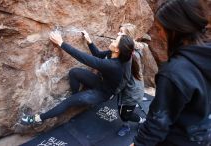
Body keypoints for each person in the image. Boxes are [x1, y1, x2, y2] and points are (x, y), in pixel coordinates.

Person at [131, 0, 211, 146]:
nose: (159, 34)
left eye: (160, 29)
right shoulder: (205, 54)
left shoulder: (174, 73)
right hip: (202, 134)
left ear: (175, 30)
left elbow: (157, 123)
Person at [21, 30, 135, 125]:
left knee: (68, 102)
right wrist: (89, 41)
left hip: (103, 93)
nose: (112, 40)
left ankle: (36, 119)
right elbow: (98, 55)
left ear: (117, 49)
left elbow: (85, 58)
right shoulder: (113, 53)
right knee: (74, 72)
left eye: (115, 40)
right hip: (100, 83)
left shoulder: (114, 65)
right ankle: (76, 97)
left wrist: (61, 43)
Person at [116, 23, 146, 136]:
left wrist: (114, 91)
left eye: (122, 32)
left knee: (125, 114)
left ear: (128, 37)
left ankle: (142, 121)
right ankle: (126, 123)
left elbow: (125, 77)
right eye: (119, 31)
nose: (118, 33)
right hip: (127, 89)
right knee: (121, 110)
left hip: (132, 91)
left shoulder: (131, 55)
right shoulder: (127, 50)